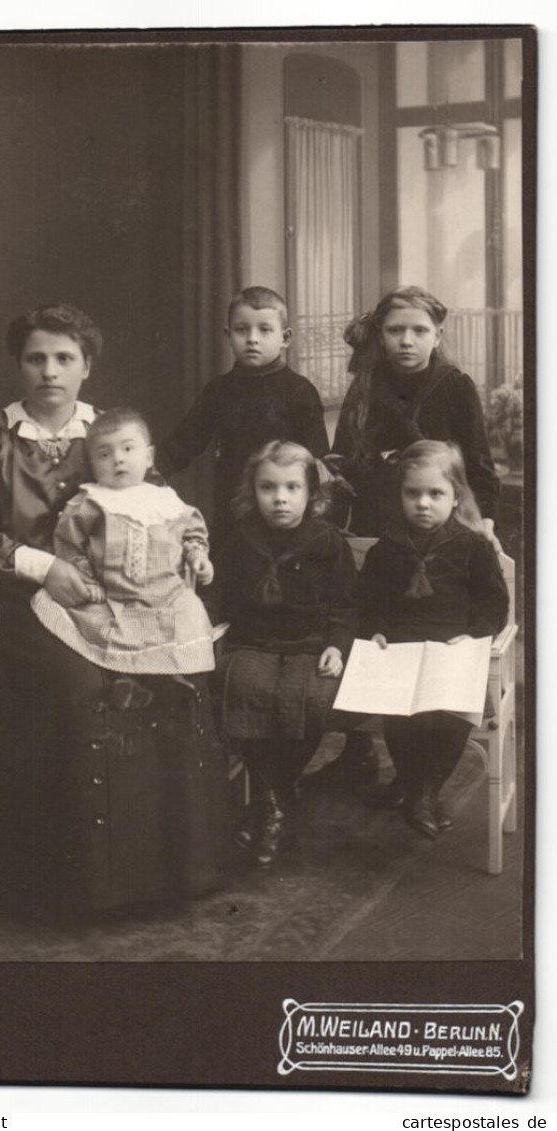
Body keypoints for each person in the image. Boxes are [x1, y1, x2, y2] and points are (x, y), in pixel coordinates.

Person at [0, 305, 227, 915]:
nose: (50, 371)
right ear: (19, 365)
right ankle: (81, 883)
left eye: (64, 358)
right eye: (36, 358)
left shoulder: (110, 434)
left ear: (86, 366)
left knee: (174, 677)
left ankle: (169, 869)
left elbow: (160, 510)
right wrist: (45, 567)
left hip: (122, 600)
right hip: (25, 599)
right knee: (84, 683)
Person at [211, 441, 358, 867]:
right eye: (268, 488)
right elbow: (217, 593)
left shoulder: (328, 543)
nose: (280, 498)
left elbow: (346, 606)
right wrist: (205, 619)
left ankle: (268, 800)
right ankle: (277, 801)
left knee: (312, 698)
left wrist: (336, 644)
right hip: (254, 642)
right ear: (252, 491)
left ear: (311, 494)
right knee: (242, 686)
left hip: (308, 645)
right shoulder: (241, 541)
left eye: (292, 488)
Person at [358, 441, 509, 839]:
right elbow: (368, 599)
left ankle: (423, 790)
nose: (423, 503)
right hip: (402, 646)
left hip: (452, 646)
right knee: (399, 715)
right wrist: (374, 629)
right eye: (413, 493)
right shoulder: (388, 548)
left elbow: (494, 600)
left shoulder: (472, 545)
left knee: (451, 713)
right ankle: (414, 786)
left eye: (435, 493)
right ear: (400, 495)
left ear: (456, 495)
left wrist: (475, 635)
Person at [31, 407, 216, 676]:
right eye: (104, 455)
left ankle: (177, 682)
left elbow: (191, 533)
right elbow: (70, 545)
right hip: (113, 600)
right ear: (92, 465)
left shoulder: (165, 501)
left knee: (192, 614)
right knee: (95, 625)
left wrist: (198, 556)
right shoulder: (92, 502)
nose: (118, 460)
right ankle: (121, 680)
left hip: (168, 600)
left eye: (128, 449)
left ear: (148, 457)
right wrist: (87, 582)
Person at [156, 285, 330, 546]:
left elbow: (315, 460)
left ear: (285, 338)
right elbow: (183, 443)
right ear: (228, 335)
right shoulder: (219, 391)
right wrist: (148, 467)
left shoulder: (300, 391)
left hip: (284, 508)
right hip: (233, 509)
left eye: (265, 329)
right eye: (241, 329)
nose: (252, 338)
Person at [331, 286, 500, 548]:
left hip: (440, 522)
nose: (407, 341)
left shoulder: (456, 386)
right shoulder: (364, 386)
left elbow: (479, 464)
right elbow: (342, 460)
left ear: (437, 335)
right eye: (395, 330)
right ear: (380, 335)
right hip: (376, 523)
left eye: (419, 331)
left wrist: (485, 520)